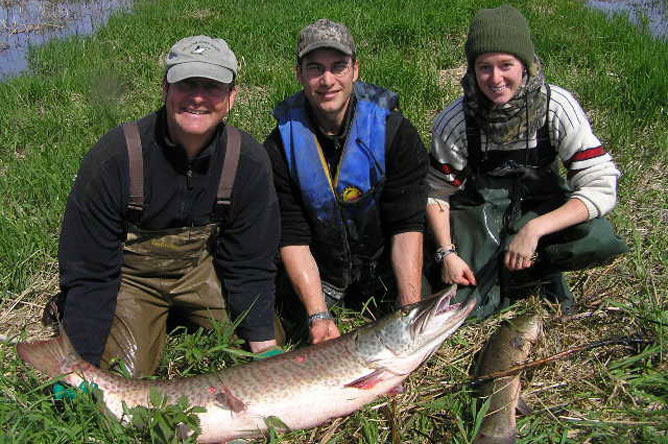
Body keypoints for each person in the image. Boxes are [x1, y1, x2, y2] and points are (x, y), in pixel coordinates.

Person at [57, 35, 281, 377]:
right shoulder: (116, 157)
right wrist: (80, 363)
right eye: (186, 84)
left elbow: (250, 262)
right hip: (130, 279)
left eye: (212, 87)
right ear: (165, 88)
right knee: (116, 374)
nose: (197, 98)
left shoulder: (248, 161)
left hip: (200, 272)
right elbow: (89, 269)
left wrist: (264, 346)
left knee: (267, 342)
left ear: (232, 97)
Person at [426, 5, 627, 318]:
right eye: (484, 67)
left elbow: (601, 185)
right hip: (481, 210)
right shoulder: (454, 121)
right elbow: (436, 193)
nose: (495, 78)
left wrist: (534, 229)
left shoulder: (557, 106)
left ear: (526, 65)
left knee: (598, 239)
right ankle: (503, 268)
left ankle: (537, 265)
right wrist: (447, 253)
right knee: (466, 308)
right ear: (472, 70)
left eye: (506, 64)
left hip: (540, 203)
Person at [264, 19, 429, 344]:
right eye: (315, 69)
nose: (327, 80)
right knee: (292, 329)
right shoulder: (279, 146)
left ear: (355, 70)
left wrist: (409, 307)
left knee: (421, 316)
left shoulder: (396, 132)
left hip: (383, 265)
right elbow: (292, 236)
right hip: (321, 269)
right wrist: (318, 314)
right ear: (299, 74)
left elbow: (406, 224)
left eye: (338, 67)